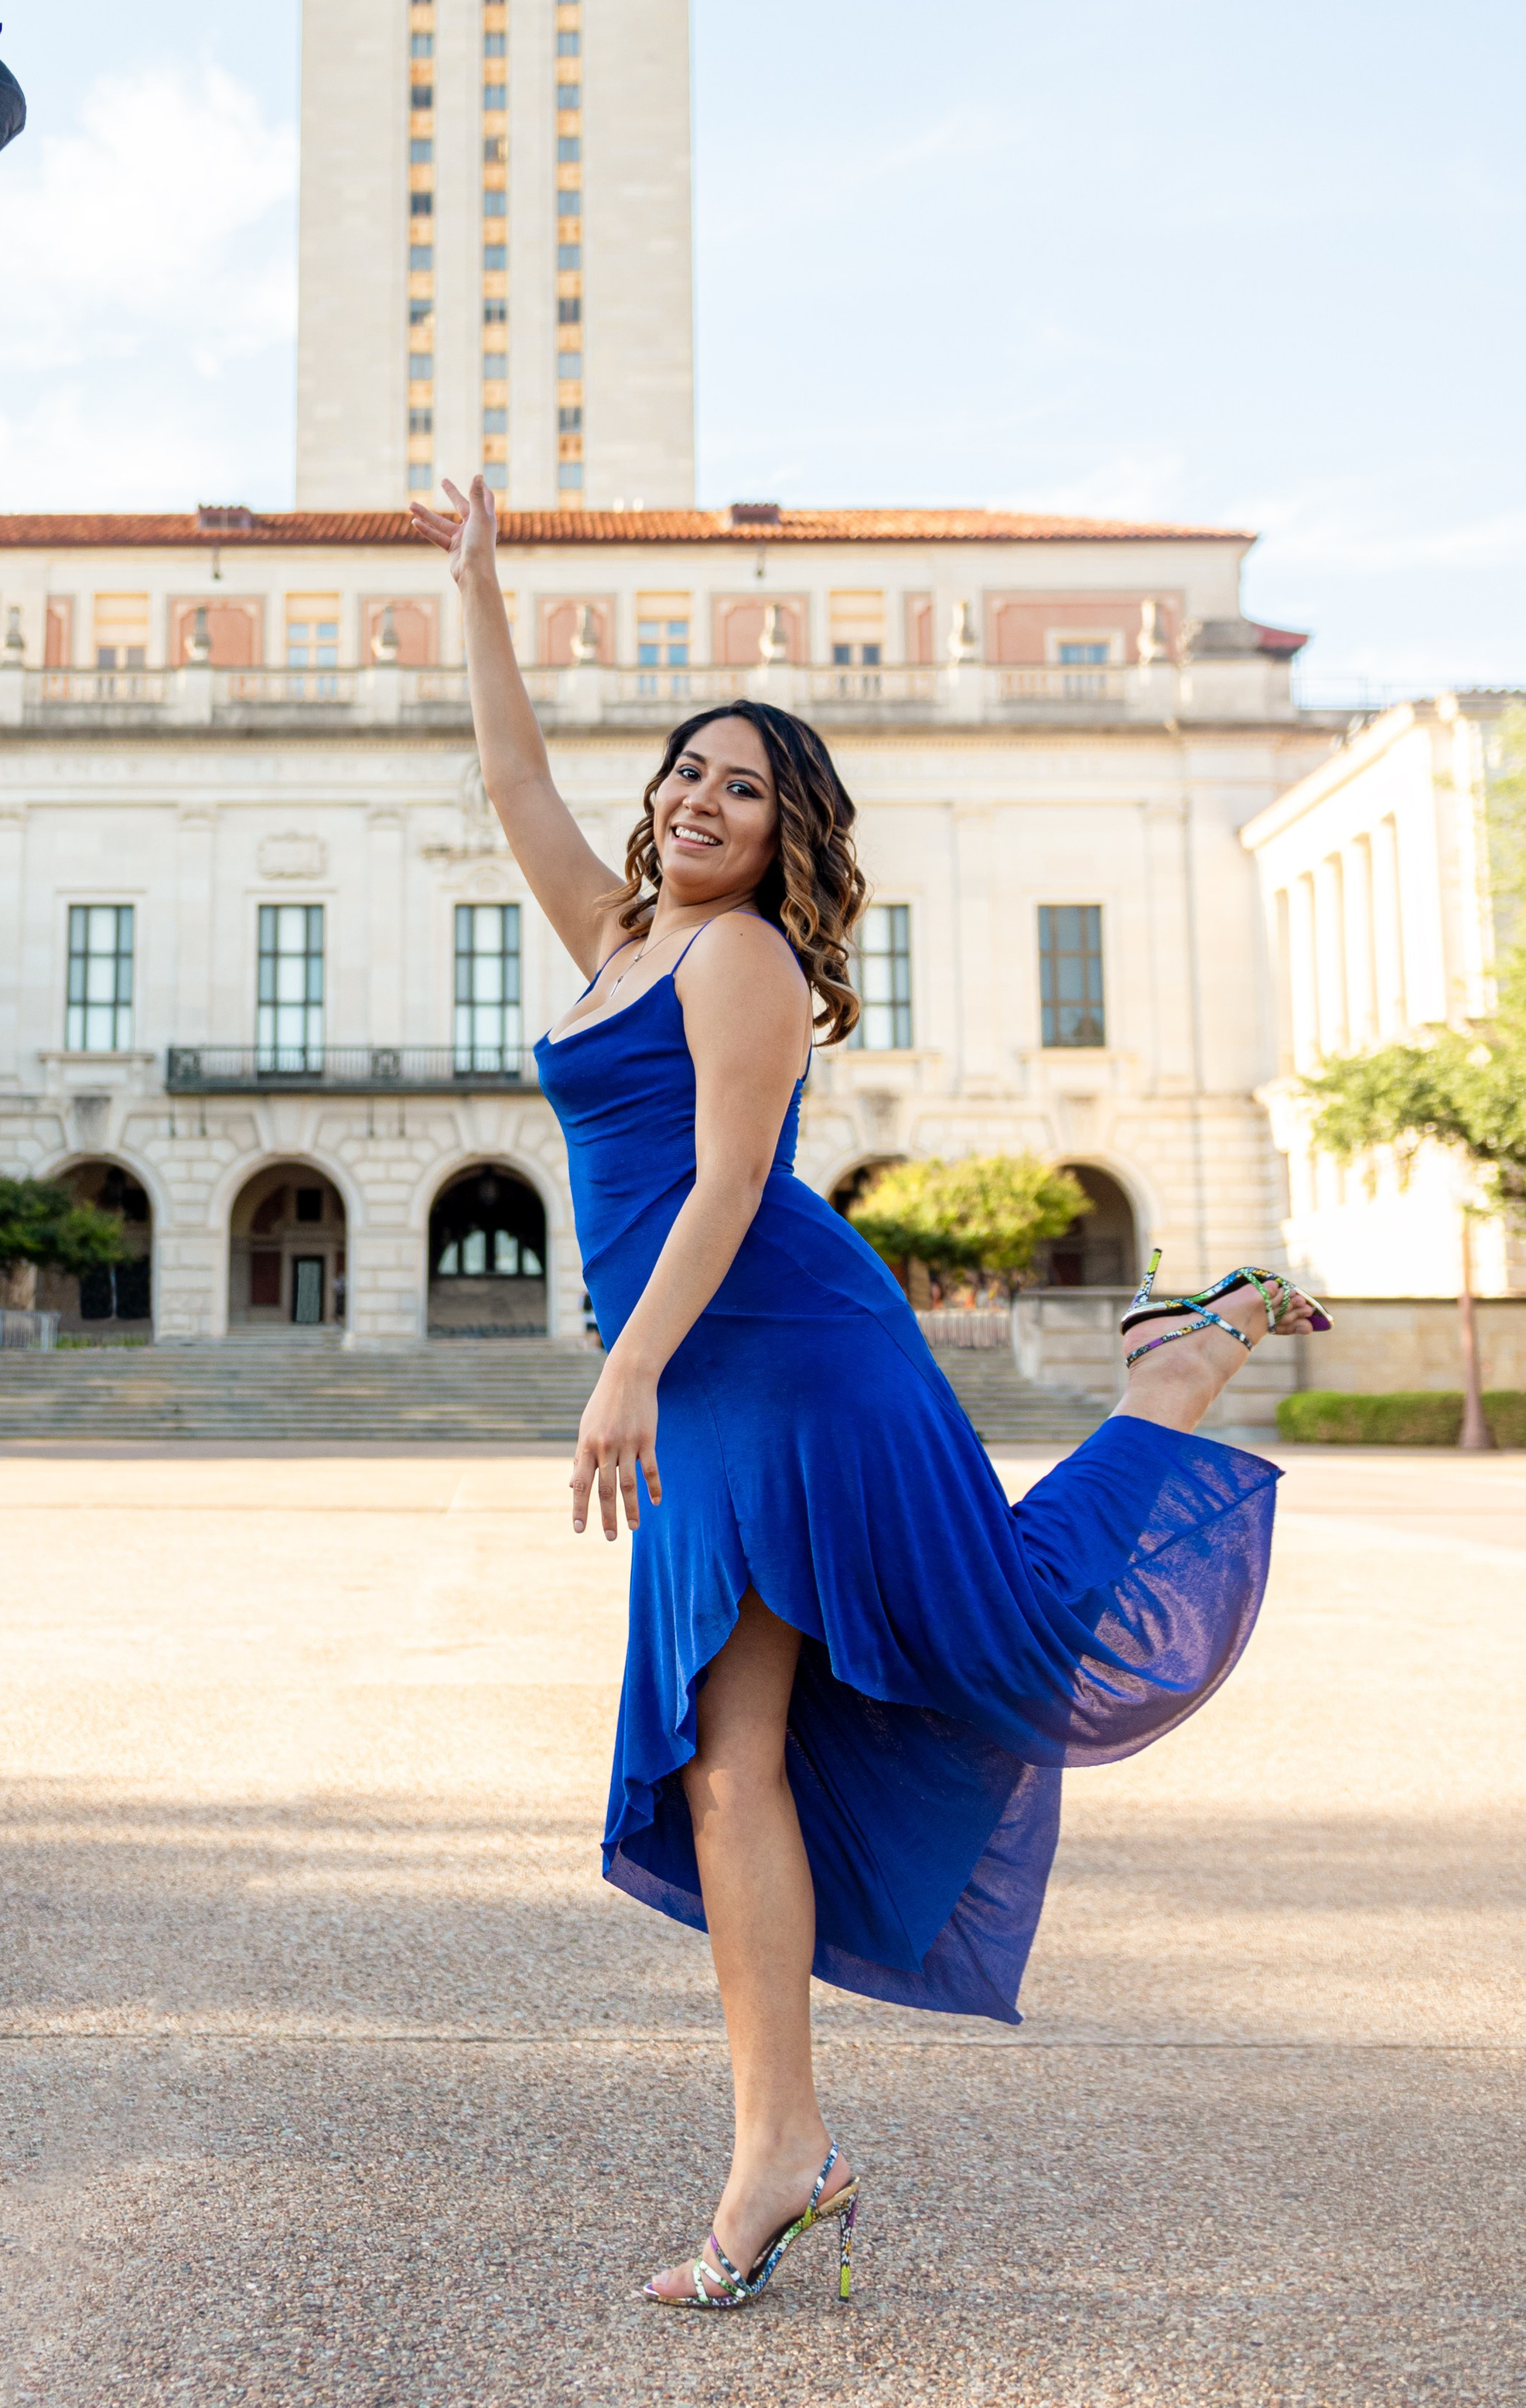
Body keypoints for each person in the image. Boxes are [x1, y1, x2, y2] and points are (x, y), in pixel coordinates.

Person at [410, 476, 1324, 2314]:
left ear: (782, 841)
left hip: (780, 1357)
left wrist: (627, 1372)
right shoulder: (614, 934)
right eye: (684, 769)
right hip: (710, 1359)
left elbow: (731, 1191)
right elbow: (513, 783)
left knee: (902, 1690)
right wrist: (483, 587)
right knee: (730, 1757)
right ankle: (780, 2151)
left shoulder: (738, 959)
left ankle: (1164, 1384)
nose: (693, 800)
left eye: (739, 789)